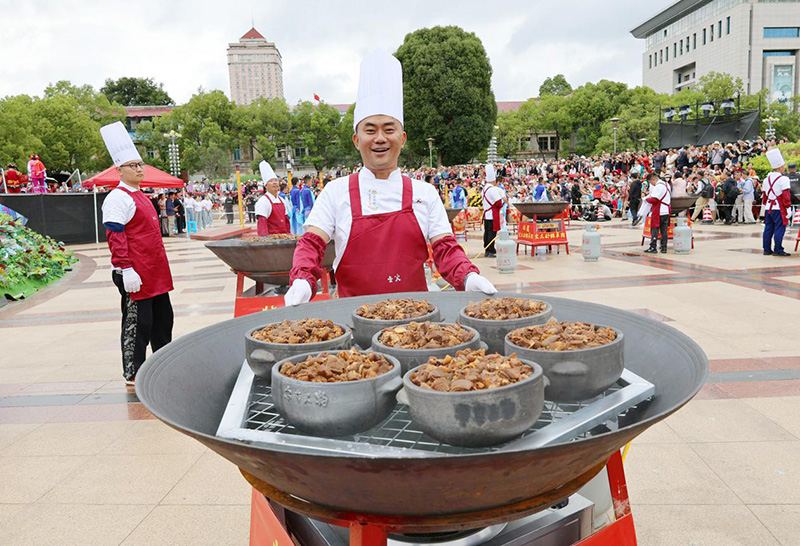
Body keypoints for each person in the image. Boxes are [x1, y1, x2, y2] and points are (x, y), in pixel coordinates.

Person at [283, 50, 496, 304]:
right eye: (370, 130)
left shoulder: (424, 193)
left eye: (389, 129)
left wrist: (468, 277)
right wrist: (302, 279)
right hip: (353, 323)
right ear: (356, 140)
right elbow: (312, 244)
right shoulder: (335, 192)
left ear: (402, 139)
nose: (380, 138)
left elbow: (445, 249)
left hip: (416, 325)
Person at [99, 121, 174, 385]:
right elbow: (116, 237)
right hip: (135, 273)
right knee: (138, 325)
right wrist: (125, 268)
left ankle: (162, 362)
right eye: (133, 165)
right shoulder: (117, 198)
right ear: (119, 169)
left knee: (162, 321)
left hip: (155, 272)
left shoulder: (142, 195)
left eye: (141, 164)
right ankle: (133, 371)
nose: (140, 169)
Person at [762, 148, 792, 256]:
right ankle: (778, 249)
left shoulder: (766, 179)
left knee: (768, 228)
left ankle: (766, 249)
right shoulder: (784, 179)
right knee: (780, 228)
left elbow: (765, 195)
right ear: (780, 166)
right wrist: (788, 208)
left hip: (768, 208)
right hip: (779, 208)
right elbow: (786, 195)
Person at [255, 161, 290, 236]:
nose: (274, 183)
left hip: (284, 239)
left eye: (276, 180)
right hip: (271, 241)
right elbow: (262, 224)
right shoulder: (263, 201)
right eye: (271, 181)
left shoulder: (282, 200)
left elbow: (286, 221)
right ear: (266, 186)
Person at [482, 164, 507, 258]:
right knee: (492, 232)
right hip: (492, 213)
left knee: (487, 232)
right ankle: (491, 250)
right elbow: (498, 202)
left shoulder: (484, 188)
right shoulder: (492, 189)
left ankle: (486, 249)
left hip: (486, 213)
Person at [642, 172, 671, 254]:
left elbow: (654, 200)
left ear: (653, 179)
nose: (652, 184)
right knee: (664, 230)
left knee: (655, 229)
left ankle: (653, 246)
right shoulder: (667, 184)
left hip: (659, 210)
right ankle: (664, 247)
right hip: (666, 210)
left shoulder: (658, 186)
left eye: (651, 182)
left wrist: (646, 199)